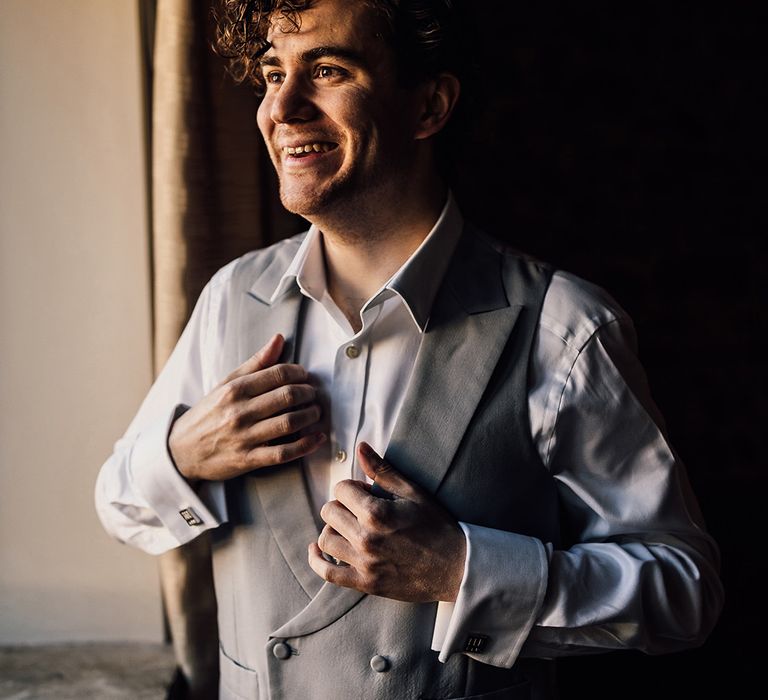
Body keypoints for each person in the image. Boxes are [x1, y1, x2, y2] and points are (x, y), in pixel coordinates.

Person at [95, 1, 723, 697]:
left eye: (328, 70)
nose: (283, 108)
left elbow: (683, 591)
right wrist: (184, 456)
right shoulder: (230, 298)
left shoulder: (565, 328)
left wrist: (463, 571)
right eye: (273, 74)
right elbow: (119, 505)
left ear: (428, 104)